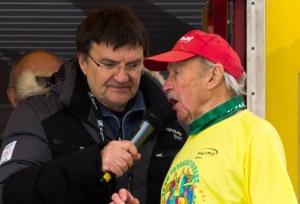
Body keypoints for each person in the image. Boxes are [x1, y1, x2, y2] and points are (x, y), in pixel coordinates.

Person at [0, 5, 188, 204]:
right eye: (109, 64)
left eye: (133, 65)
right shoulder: (39, 113)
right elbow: (10, 193)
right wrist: (92, 162)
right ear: (83, 61)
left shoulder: (173, 113)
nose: (122, 77)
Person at [110, 30, 298, 203]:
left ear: (213, 76)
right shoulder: (191, 140)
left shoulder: (255, 133)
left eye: (177, 73)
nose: (166, 85)